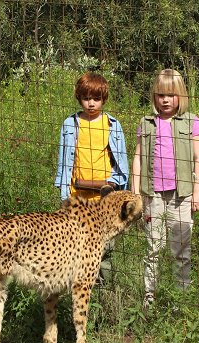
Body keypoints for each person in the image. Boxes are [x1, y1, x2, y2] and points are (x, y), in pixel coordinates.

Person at [131, 69, 199, 309]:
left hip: (181, 196)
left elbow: (198, 159)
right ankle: (149, 297)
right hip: (152, 195)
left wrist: (198, 191)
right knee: (153, 248)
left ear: (180, 96)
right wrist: (135, 194)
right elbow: (138, 157)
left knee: (181, 250)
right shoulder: (146, 122)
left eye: (170, 95)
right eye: (160, 94)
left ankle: (180, 300)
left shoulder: (191, 122)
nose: (165, 100)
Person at [54, 72, 129, 286]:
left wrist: (113, 184)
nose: (91, 103)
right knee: (76, 246)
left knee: (104, 249)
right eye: (86, 98)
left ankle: (104, 290)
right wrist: (65, 190)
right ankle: (80, 288)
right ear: (79, 98)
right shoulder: (70, 124)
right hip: (78, 198)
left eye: (96, 99)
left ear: (104, 99)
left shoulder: (112, 125)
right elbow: (64, 160)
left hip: (104, 200)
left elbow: (121, 161)